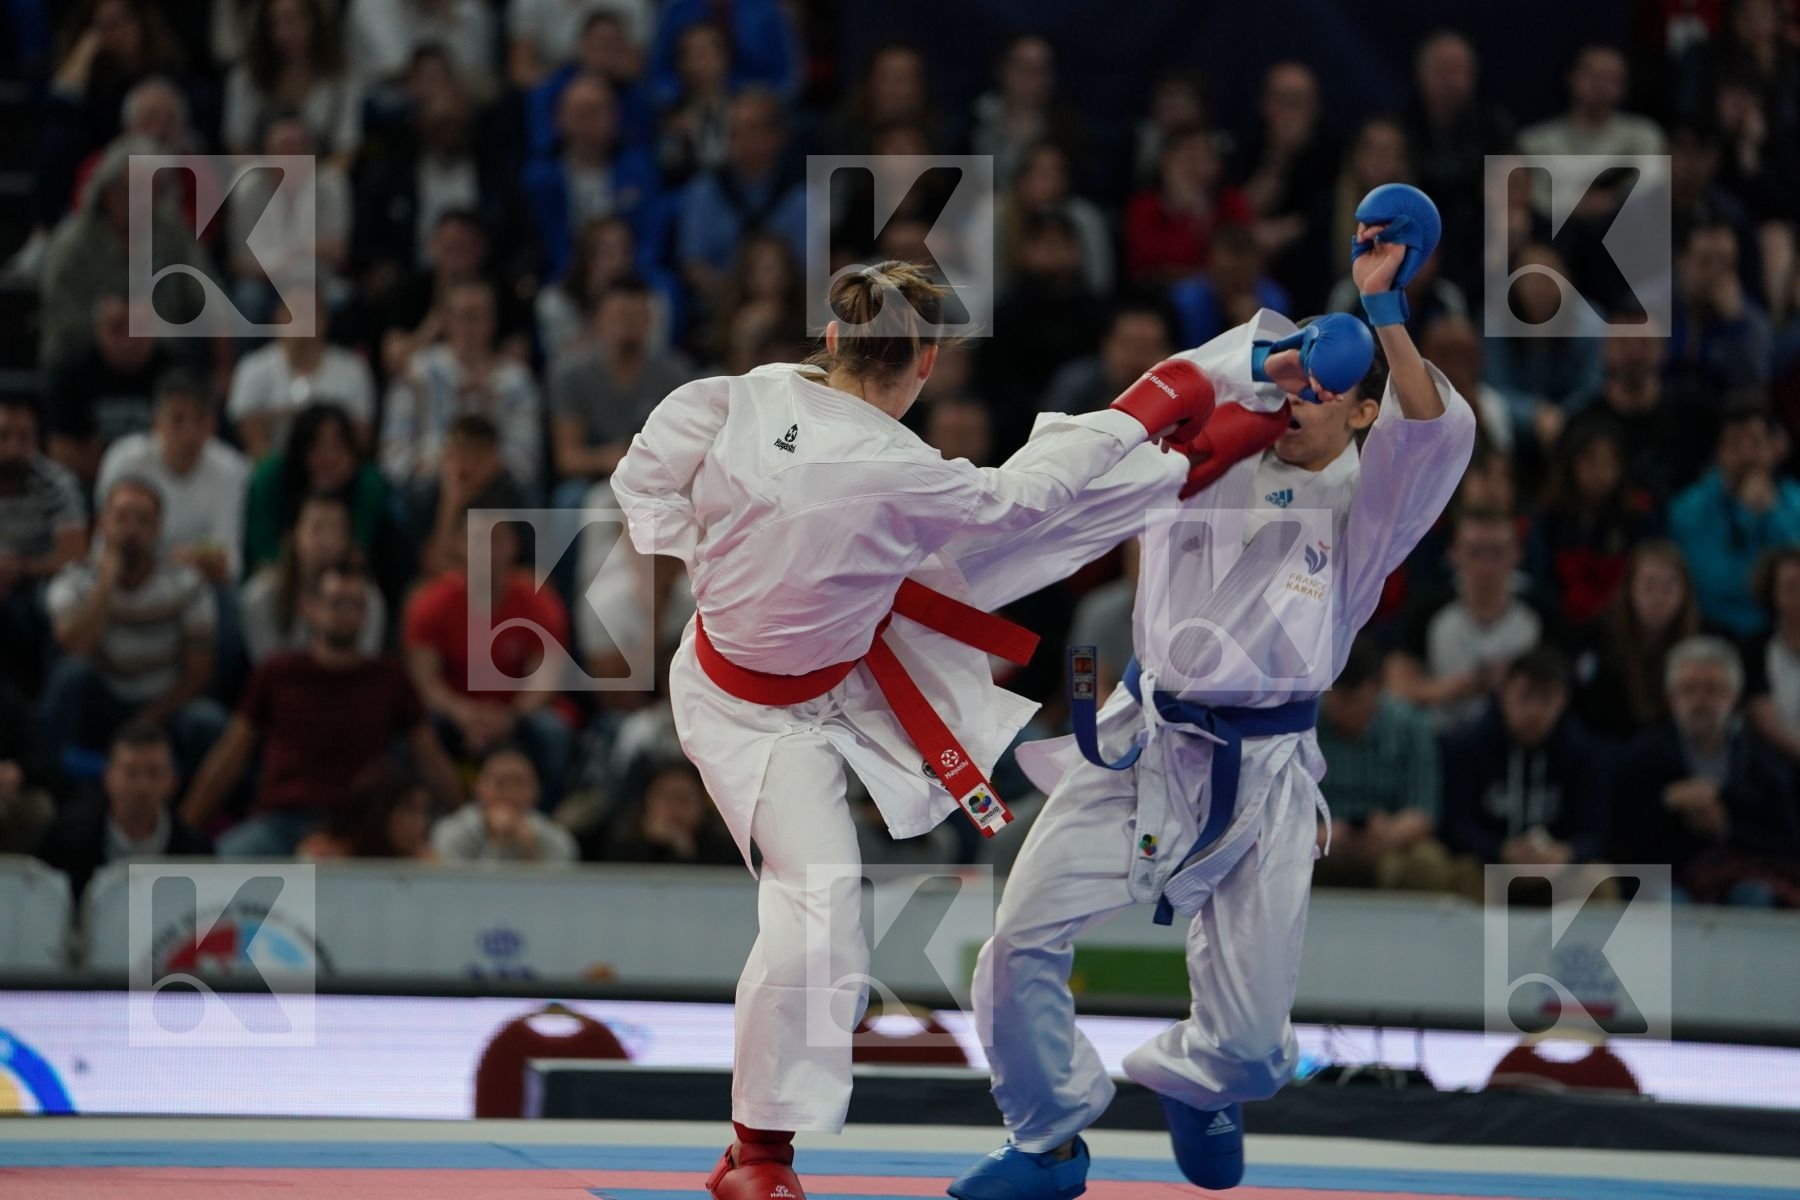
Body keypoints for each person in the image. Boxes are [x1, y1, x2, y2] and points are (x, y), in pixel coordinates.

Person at [611, 261, 1220, 1200]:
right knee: (819, 902)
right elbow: (1026, 495)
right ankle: (758, 1153)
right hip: (750, 713)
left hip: (851, 638)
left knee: (1006, 537)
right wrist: (1143, 402)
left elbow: (640, 483)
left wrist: (727, 547)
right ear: (927, 362)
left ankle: (1187, 458)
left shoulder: (727, 396)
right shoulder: (899, 468)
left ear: (831, 334)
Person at [950, 192, 1474, 1198]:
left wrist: (1387, 311)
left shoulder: (1368, 503)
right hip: (1146, 744)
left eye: (1334, 392)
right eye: (1299, 382)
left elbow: (1434, 430)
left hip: (1268, 775)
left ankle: (1198, 1084)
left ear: (1362, 412)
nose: (1304, 400)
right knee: (1015, 944)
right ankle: (1049, 1136)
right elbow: (1178, 385)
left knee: (1249, 1046)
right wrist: (1282, 360)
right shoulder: (1208, 446)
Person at [180, 562, 458, 856]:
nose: (346, 614)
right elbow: (229, 757)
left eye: (356, 605)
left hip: (359, 830)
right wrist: (182, 831)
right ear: (309, 607)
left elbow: (430, 758)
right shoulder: (277, 671)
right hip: (282, 823)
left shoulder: (389, 677)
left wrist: (467, 817)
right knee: (222, 870)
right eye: (337, 602)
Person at [42, 478, 227, 774]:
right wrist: (106, 583)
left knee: (208, 721)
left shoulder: (186, 584)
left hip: (164, 704)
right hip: (103, 700)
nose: (131, 529)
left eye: (143, 520)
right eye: (121, 517)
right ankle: (52, 783)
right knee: (71, 677)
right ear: (102, 523)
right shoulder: (74, 580)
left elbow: (199, 672)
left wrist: (149, 718)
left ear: (157, 529)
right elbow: (75, 646)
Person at [1616, 636, 1799, 906]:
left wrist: (1726, 827)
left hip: (1742, 875)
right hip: (1666, 877)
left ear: (1734, 697)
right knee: (1669, 902)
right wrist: (1666, 804)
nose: (1700, 701)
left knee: (1755, 896)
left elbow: (1788, 845)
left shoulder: (1763, 763)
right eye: (1688, 689)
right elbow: (1619, 842)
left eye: (1712, 690)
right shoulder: (1642, 756)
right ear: (1671, 698)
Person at [1439, 648, 1612, 886]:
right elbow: (1455, 825)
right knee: (1463, 873)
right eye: (1526, 695)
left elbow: (1596, 832)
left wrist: (1565, 853)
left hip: (1556, 869)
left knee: (1599, 879)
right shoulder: (1468, 746)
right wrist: (1502, 850)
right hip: (1490, 865)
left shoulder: (1583, 752)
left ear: (1563, 700)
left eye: (1547, 698)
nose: (1535, 710)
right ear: (1503, 694)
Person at [1386, 507, 1550, 732]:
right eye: (1475, 552)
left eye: (1497, 552)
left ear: (1517, 554)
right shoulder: (1429, 607)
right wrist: (1454, 688)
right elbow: (1396, 687)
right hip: (1444, 737)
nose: (1486, 567)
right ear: (1454, 553)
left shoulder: (1538, 610)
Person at [1313, 634, 1449, 892]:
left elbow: (1423, 812)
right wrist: (1323, 835)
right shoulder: (1304, 727)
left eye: (1356, 699)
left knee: (1427, 864)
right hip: (1317, 838)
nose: (1347, 708)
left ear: (1377, 688)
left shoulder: (1411, 725)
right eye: (1338, 698)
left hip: (1389, 839)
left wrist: (1387, 834)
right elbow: (1280, 812)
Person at [96, 370, 250, 585]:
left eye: (200, 420)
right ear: (156, 421)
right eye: (178, 420)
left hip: (197, 585)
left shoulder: (231, 469)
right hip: (128, 577)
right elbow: (104, 544)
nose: (190, 434)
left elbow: (230, 561)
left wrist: (196, 561)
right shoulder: (124, 460)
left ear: (213, 424)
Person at [34, 722, 211, 900]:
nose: (143, 786)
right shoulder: (65, 839)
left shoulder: (196, 853)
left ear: (172, 781)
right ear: (108, 777)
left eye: (154, 773)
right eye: (131, 772)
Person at [1670, 398, 1800, 639]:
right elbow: (1714, 582)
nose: (1747, 455)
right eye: (1735, 445)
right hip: (1712, 629)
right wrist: (1748, 517)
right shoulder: (1689, 509)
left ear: (1775, 448)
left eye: (1756, 443)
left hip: (1786, 629)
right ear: (1719, 452)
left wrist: (1770, 517)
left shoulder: (1795, 503)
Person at [0, 397, 88, 692]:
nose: (14, 448)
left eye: (25, 437)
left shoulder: (55, 483)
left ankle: (51, 700)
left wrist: (20, 568)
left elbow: (73, 552)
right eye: (4, 436)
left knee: (59, 605)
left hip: (41, 575)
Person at [1573, 540, 1700, 742]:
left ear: (1685, 592)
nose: (1658, 597)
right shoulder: (1595, 637)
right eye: (1649, 585)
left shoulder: (1702, 642)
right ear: (1629, 589)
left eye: (1669, 586)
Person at [240, 492, 387, 664]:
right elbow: (268, 667)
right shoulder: (260, 596)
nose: (328, 540)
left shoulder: (368, 598)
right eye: (317, 528)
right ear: (294, 534)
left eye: (338, 529)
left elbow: (364, 663)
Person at [430, 744, 579, 864]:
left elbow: (556, 897)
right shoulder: (451, 833)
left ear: (536, 790)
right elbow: (454, 892)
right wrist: (498, 844)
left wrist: (531, 852)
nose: (510, 793)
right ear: (478, 787)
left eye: (519, 782)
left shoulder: (557, 839)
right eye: (500, 783)